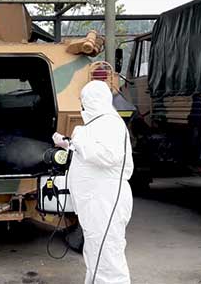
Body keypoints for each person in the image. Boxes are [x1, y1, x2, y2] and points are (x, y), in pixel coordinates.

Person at [53, 80, 134, 284]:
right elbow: (88, 155)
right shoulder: (96, 125)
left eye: (84, 101)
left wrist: (76, 140)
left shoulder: (110, 123)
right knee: (95, 253)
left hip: (106, 201)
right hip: (94, 202)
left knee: (108, 258)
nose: (82, 106)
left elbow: (108, 156)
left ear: (93, 101)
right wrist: (69, 145)